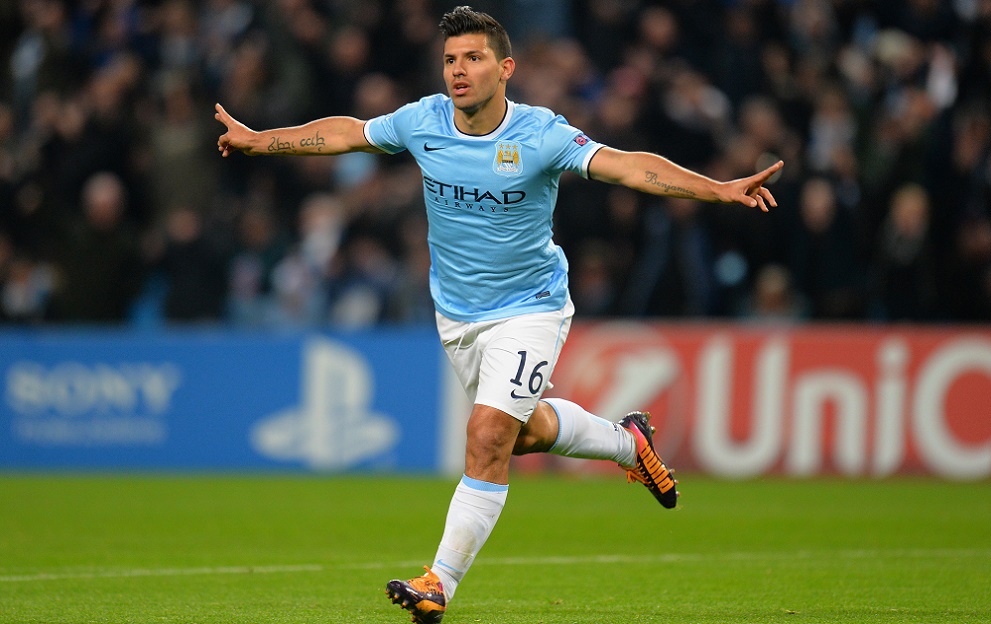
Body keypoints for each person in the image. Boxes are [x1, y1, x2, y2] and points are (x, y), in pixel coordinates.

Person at [215, 7, 782, 623]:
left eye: (473, 58)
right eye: (450, 60)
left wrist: (717, 188)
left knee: (487, 436)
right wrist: (259, 140)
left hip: (530, 308)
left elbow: (627, 165)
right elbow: (346, 133)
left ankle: (438, 584)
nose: (458, 71)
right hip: (457, 315)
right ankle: (629, 443)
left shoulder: (541, 135)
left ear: (505, 68)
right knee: (525, 433)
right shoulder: (423, 121)